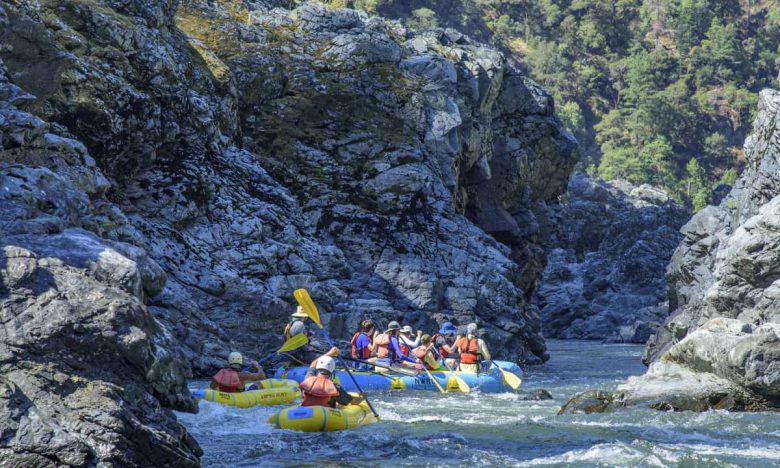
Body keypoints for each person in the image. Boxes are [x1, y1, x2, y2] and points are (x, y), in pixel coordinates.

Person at [299, 347, 366, 408]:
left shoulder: (308, 378)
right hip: (325, 416)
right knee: (339, 404)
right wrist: (362, 397)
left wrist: (330, 353)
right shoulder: (334, 387)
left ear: (318, 367)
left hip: (306, 412)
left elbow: (313, 363)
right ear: (332, 370)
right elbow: (354, 401)